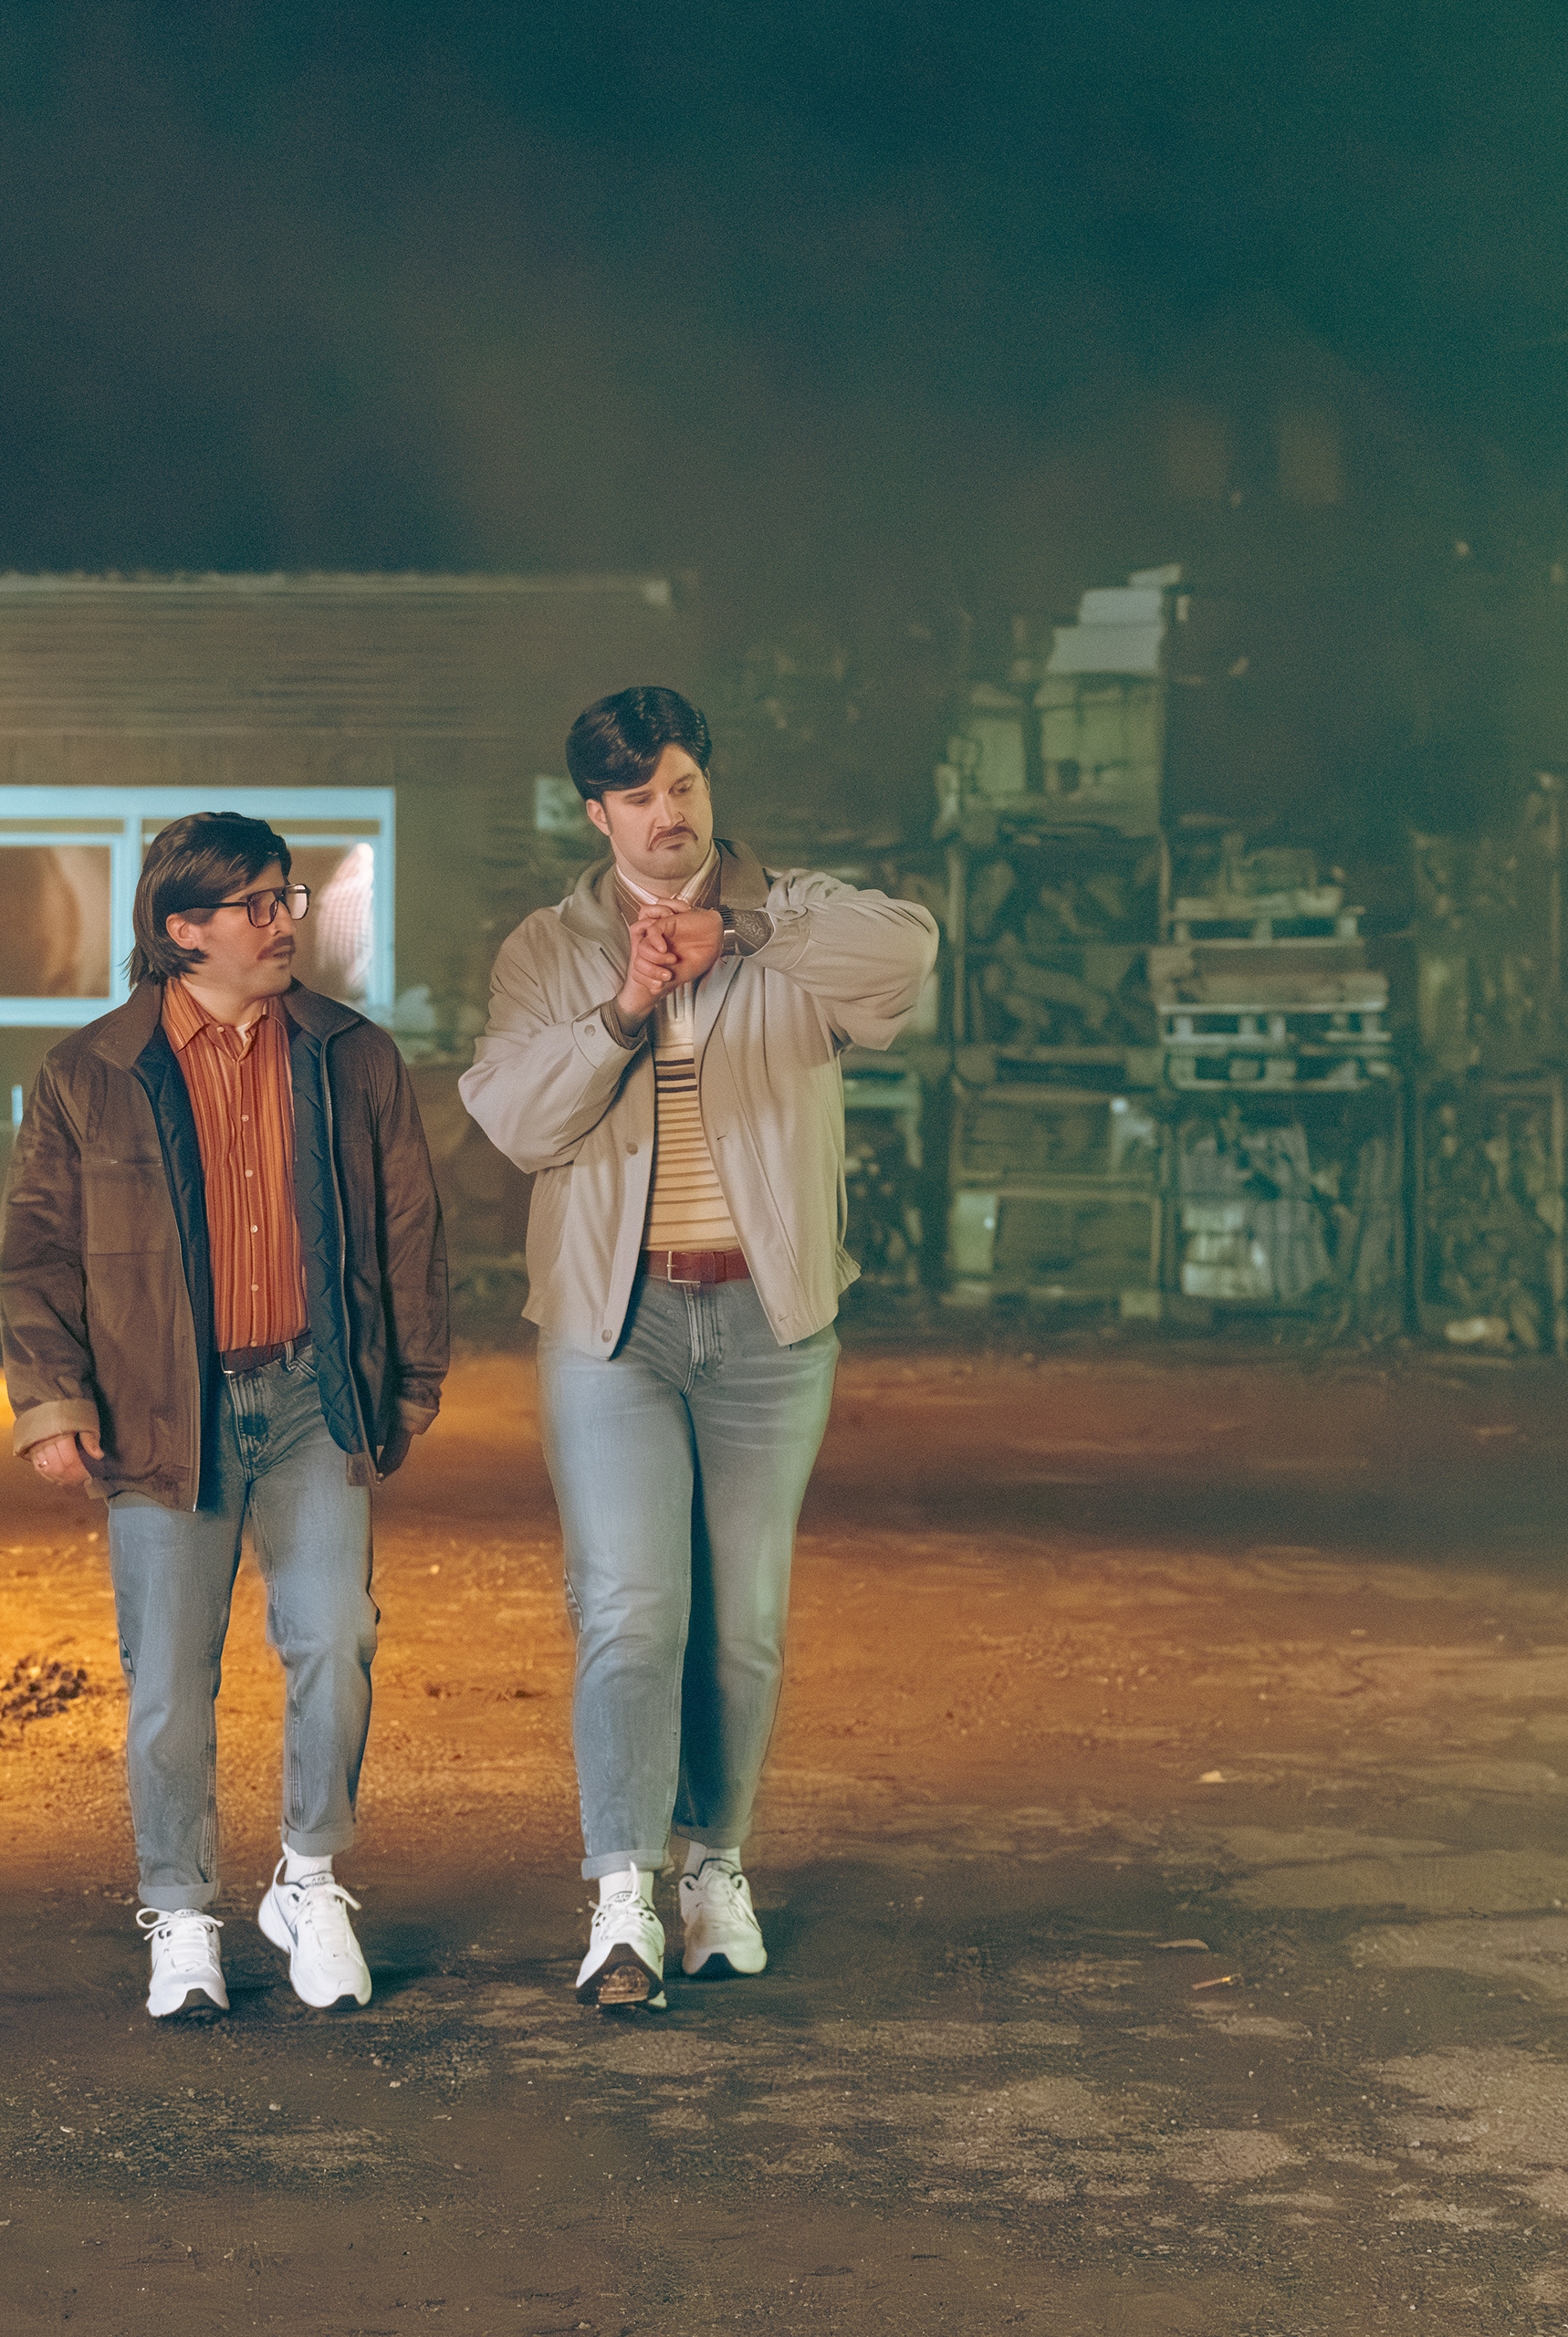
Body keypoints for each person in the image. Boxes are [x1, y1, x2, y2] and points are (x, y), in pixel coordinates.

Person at [459, 686, 937, 2010]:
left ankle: (713, 1866)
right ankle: (622, 1895)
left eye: (684, 786)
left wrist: (749, 932)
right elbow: (515, 1121)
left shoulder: (795, 916)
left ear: (708, 789)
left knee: (746, 1623)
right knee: (631, 1607)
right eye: (639, 797)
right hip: (614, 1327)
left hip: (770, 1321)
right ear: (596, 814)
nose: (667, 815)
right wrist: (623, 1007)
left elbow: (907, 963)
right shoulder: (547, 950)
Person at [0, 812, 448, 2020]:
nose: (284, 920)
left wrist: (409, 1382)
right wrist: (53, 1403)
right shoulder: (88, 1075)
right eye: (256, 904)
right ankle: (182, 1912)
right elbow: (36, 1255)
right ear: (182, 929)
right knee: (168, 1681)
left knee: (336, 1636)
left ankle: (309, 1878)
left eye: (287, 896)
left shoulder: (352, 1058)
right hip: (161, 1411)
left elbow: (410, 1227)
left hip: (313, 1398)